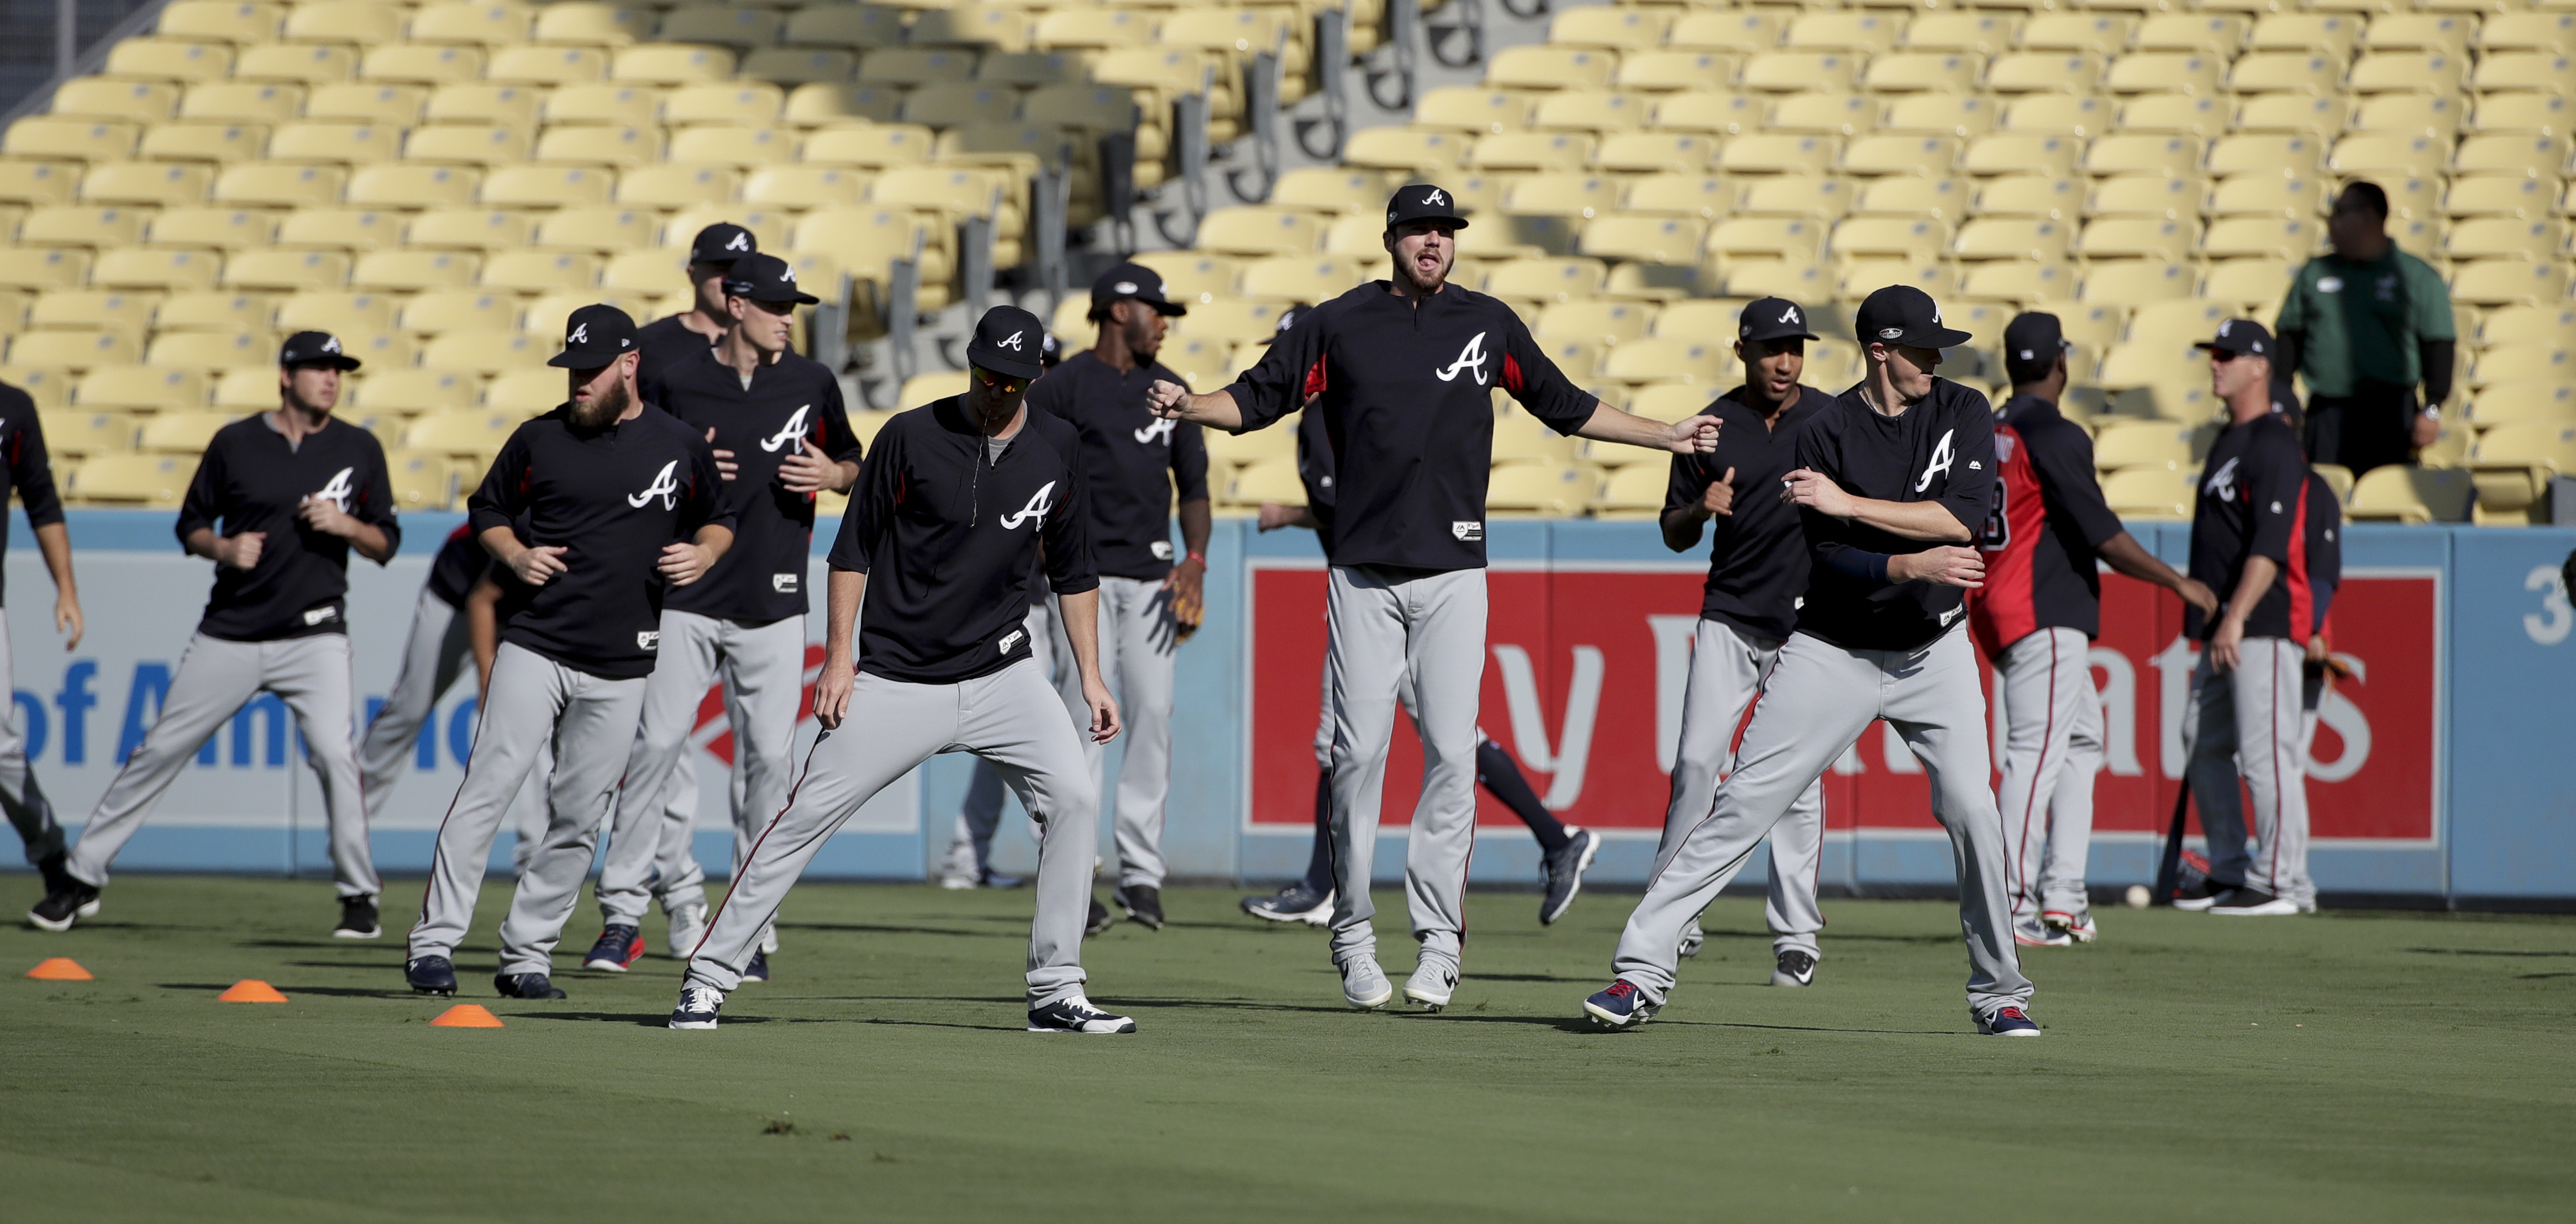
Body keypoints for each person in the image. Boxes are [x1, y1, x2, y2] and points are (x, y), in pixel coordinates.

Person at [1146, 183, 1718, 1014]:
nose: (1433, 242)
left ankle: (1440, 945)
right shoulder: (1338, 323)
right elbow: (1258, 397)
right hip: (1364, 575)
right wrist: (1191, 405)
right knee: (1356, 757)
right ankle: (1351, 932)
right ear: (1390, 238)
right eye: (1419, 229)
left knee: (1452, 754)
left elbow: (1562, 404)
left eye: (1445, 231)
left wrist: (1663, 433)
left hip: (1454, 575)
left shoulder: (1486, 324)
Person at [1581, 284, 2038, 1037]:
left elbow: (1959, 517)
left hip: (1933, 650)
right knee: (1739, 806)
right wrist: (1903, 564)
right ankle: (1640, 972)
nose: (1936, 358)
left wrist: (1852, 508)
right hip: (1833, 648)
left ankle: (1999, 992)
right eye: (1923, 346)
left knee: (1973, 812)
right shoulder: (1824, 433)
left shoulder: (1960, 409)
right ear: (1880, 349)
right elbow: (1825, 560)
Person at [669, 305, 1134, 1035]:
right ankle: (708, 976)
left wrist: (1091, 677)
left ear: (1036, 377)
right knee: (799, 821)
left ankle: (1056, 988)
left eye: (1012, 381)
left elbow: (1076, 571)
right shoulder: (911, 435)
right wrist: (838, 658)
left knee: (1074, 800)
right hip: (896, 675)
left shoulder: (1059, 448)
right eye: (986, 374)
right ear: (971, 364)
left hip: (1002, 673)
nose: (996, 391)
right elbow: (850, 550)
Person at [404, 304, 734, 999]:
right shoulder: (539, 438)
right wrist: (516, 553)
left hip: (624, 661)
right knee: (488, 787)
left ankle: (526, 955)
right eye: (572, 369)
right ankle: (433, 944)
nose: (578, 382)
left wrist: (703, 551)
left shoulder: (677, 444)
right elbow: (486, 508)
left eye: (591, 370)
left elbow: (721, 518)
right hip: (539, 642)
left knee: (580, 816)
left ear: (630, 364)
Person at [1238, 307, 1600, 928]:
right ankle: (1556, 837)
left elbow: (1345, 502)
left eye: (1288, 349)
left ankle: (1325, 885)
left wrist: (1292, 516)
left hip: (1381, 594)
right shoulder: (1325, 414)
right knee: (1442, 740)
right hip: (1380, 590)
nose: (1284, 362)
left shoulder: (1327, 415)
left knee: (1367, 740)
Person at [31, 333, 397, 937]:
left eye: (338, 369)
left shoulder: (359, 447)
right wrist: (223, 547)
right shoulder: (237, 442)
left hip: (316, 633)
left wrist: (348, 524)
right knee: (160, 749)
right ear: (286, 376)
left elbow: (387, 543)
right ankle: (81, 875)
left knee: (336, 755)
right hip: (232, 628)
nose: (331, 378)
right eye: (318, 367)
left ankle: (360, 894)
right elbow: (190, 524)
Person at [583, 253, 861, 980]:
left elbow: (857, 465)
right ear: (737, 305)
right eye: (776, 306)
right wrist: (683, 466)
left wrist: (833, 475)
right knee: (656, 750)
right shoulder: (678, 378)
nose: (787, 319)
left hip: (770, 601)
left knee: (769, 764)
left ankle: (749, 927)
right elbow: (628, 468)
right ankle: (620, 914)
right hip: (686, 597)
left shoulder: (811, 381)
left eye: (791, 308)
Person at [1972, 313, 2218, 948]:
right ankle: (2013, 904)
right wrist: (2177, 581)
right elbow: (2104, 535)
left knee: (2082, 739)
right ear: (2061, 364)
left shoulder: (1989, 428)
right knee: (2034, 753)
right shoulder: (2052, 432)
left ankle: (2064, 897)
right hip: (2043, 612)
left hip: (2001, 605)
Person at [1654, 298, 1836, 986]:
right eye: (1770, 348)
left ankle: (1796, 935)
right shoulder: (1712, 425)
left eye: (1794, 346)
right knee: (1698, 764)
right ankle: (1674, 913)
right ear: (1743, 352)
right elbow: (1672, 531)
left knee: (1797, 785)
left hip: (1809, 626)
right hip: (1730, 615)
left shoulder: (1830, 417)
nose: (1784, 361)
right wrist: (1701, 509)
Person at [1035, 261, 1211, 931]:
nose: (1164, 322)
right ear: (1118, 310)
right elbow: (1028, 479)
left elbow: (1193, 490)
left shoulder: (1172, 390)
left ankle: (1141, 873)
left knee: (1154, 714)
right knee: (1084, 720)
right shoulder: (1065, 386)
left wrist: (1195, 560)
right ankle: (1074, 873)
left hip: (1153, 578)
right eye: (1155, 310)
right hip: (1083, 582)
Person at [2173, 320, 2321, 919]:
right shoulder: (2226, 438)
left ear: (2261, 366)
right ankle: (2232, 866)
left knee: (2266, 752)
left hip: (2259, 621)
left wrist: (2235, 616)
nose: (2216, 363)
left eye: (2228, 355)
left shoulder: (2275, 442)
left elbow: (2272, 543)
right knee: (2201, 739)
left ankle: (2283, 878)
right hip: (2226, 626)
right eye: (2213, 353)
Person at [2273, 181, 2457, 478]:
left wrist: (2432, 408)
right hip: (2327, 411)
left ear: (2370, 217)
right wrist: (2280, 399)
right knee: (2324, 495)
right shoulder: (2315, 274)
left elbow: (2439, 347)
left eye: (2339, 213)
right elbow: (2288, 340)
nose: (2331, 222)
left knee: (2382, 500)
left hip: (2389, 413)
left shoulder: (2415, 277)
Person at [0, 376, 81, 904]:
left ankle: (50, 852)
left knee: (0, 748)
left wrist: (67, 590)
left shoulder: (12, 407)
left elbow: (42, 502)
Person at [638, 221, 759, 388]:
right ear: (692, 274)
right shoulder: (649, 344)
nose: (731, 281)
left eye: (740, 271)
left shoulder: (768, 347)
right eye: (720, 269)